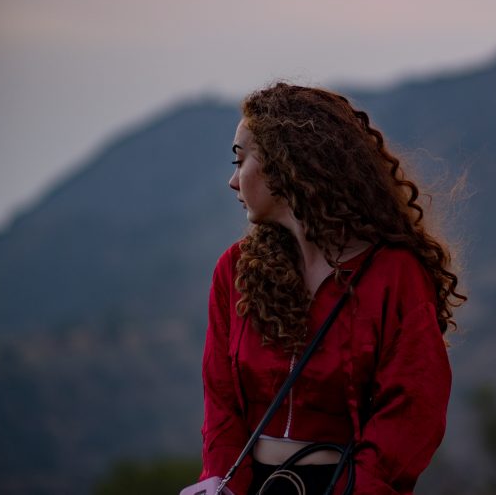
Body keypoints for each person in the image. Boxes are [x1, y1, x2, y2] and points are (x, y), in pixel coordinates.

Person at [198, 82, 465, 495]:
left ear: (283, 163)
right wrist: (221, 484)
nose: (233, 181)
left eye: (241, 160)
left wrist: (356, 489)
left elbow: (414, 410)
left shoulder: (394, 274)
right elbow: (220, 402)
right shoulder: (234, 271)